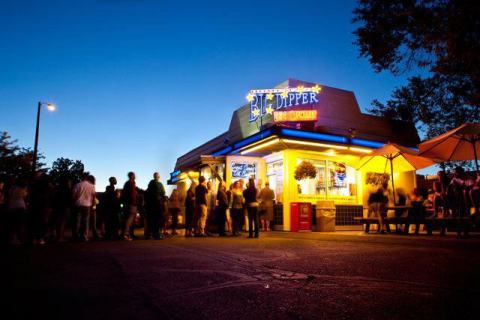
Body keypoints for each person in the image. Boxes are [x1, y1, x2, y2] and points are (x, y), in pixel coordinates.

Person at [29, 172, 54, 245]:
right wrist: (50, 206)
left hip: (35, 205)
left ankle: (33, 238)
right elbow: (51, 196)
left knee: (35, 222)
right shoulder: (48, 185)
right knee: (42, 222)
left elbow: (31, 195)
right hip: (44, 206)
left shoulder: (34, 185)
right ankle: (40, 238)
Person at [72, 173, 96, 242]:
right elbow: (93, 196)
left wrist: (74, 202)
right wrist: (93, 205)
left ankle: (75, 236)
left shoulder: (77, 185)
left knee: (77, 221)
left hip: (78, 204)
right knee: (86, 221)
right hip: (87, 205)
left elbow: (74, 196)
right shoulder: (91, 186)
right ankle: (84, 236)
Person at [145, 172, 166, 240]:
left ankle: (151, 233)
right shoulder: (158, 184)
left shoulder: (151, 184)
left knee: (152, 219)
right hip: (156, 203)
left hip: (152, 204)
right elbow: (163, 193)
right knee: (156, 219)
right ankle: (155, 233)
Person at [6, 179, 28, 245]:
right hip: (20, 207)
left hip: (12, 206)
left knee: (13, 223)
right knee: (19, 223)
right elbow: (24, 195)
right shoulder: (21, 189)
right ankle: (19, 239)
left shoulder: (12, 188)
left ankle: (13, 238)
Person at [51, 177, 72, 242]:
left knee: (58, 222)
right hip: (65, 207)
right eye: (69, 182)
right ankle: (59, 237)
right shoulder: (68, 190)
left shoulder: (57, 189)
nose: (70, 184)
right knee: (63, 222)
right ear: (66, 183)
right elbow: (70, 199)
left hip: (57, 207)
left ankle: (56, 235)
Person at [122, 172, 139, 241]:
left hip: (126, 204)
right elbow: (132, 194)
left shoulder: (127, 183)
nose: (135, 176)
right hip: (131, 204)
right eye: (134, 175)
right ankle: (125, 234)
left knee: (127, 219)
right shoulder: (131, 183)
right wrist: (135, 202)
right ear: (131, 176)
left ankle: (129, 234)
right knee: (129, 220)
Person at [88, 175, 101, 240]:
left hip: (87, 205)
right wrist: (94, 204)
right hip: (91, 206)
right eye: (94, 180)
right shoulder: (92, 186)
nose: (95, 181)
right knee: (92, 221)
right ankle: (95, 234)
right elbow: (93, 197)